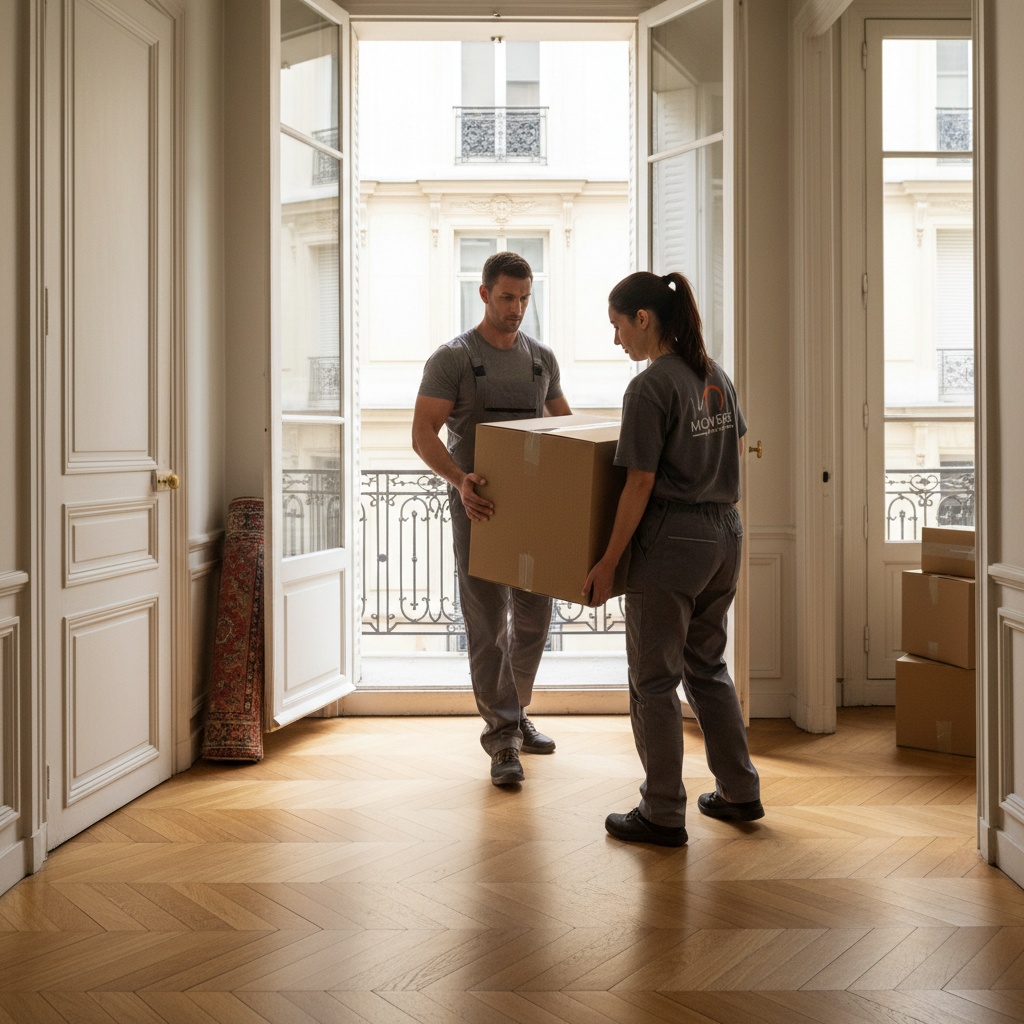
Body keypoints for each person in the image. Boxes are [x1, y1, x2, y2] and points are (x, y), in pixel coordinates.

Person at [583, 271, 762, 846]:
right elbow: (735, 455)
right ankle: (739, 790)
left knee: (653, 680)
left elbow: (639, 483)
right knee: (707, 667)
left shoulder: (650, 387)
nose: (617, 342)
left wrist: (609, 561)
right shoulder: (718, 377)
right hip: (726, 533)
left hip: (673, 540)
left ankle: (662, 811)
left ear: (643, 319)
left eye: (617, 326)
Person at [412, 251, 572, 786]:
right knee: (488, 626)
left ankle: (517, 712)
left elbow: (565, 428)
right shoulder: (453, 359)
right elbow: (421, 434)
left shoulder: (542, 359)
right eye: (507, 297)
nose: (517, 308)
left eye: (525, 298)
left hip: (534, 512)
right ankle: (502, 740)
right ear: (483, 294)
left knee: (533, 620)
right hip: (478, 509)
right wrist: (460, 481)